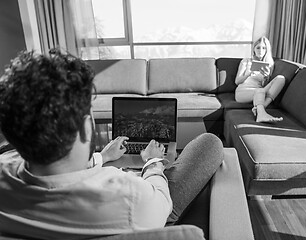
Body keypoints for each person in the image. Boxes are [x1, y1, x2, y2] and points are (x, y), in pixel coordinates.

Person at [0, 50, 224, 239]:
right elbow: (161, 205)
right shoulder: (132, 198)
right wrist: (153, 162)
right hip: (153, 208)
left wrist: (103, 157)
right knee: (210, 143)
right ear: (84, 128)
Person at [235, 36, 285, 123]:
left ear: (267, 50)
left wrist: (266, 78)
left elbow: (265, 88)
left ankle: (260, 109)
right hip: (243, 91)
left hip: (258, 91)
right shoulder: (246, 61)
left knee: (281, 79)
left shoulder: (269, 64)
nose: (260, 50)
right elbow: (237, 81)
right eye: (258, 47)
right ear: (253, 49)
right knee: (260, 91)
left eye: (264, 48)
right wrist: (249, 73)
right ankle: (262, 113)